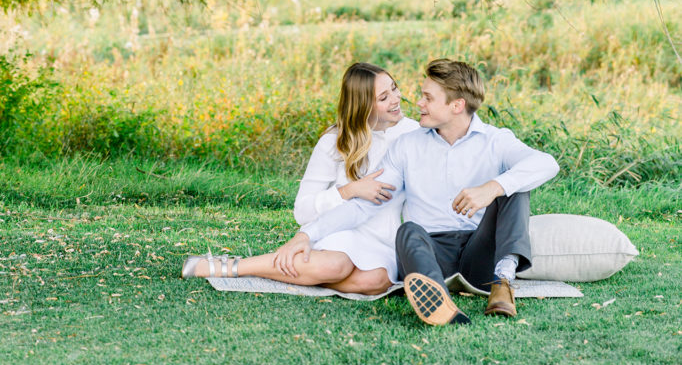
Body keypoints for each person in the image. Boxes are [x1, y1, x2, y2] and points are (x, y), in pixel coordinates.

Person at [274, 59, 559, 325]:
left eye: (428, 98)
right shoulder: (406, 146)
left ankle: (503, 282)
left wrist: (492, 187)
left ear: (457, 105)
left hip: (480, 253)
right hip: (432, 255)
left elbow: (547, 163)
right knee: (408, 229)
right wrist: (307, 234)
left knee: (516, 186)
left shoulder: (496, 141)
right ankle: (438, 302)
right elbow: (365, 205)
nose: (417, 102)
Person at [181, 62, 419, 294]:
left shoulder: (414, 134)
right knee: (336, 266)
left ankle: (296, 275)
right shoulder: (335, 143)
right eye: (384, 97)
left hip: (386, 239)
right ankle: (231, 266)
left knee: (376, 281)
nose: (396, 99)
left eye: (395, 88)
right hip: (339, 232)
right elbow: (302, 211)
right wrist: (349, 191)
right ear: (363, 106)